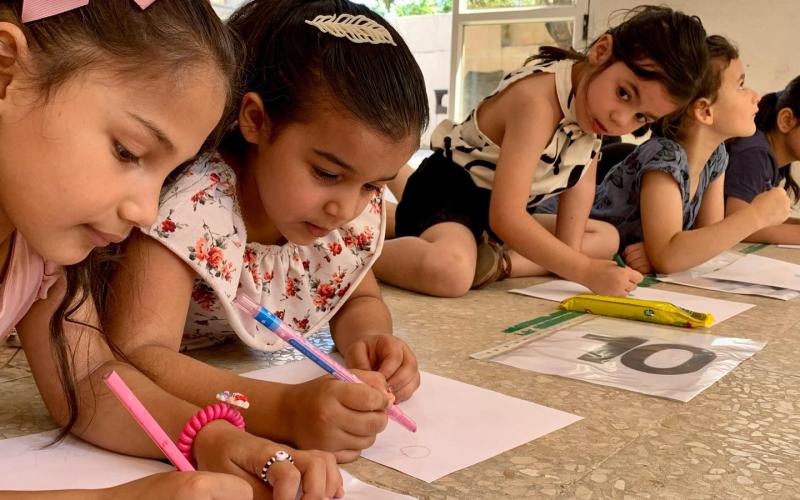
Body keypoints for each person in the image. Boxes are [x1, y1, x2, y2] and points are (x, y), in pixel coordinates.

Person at [0, 1, 341, 498]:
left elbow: (91, 378)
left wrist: (211, 437)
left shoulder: (37, 250)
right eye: (128, 152)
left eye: (169, 174)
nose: (146, 211)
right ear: (5, 71)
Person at [106, 0, 429, 463]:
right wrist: (282, 410)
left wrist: (371, 341)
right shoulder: (193, 203)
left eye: (373, 186)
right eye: (326, 173)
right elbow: (138, 352)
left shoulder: (339, 207)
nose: (346, 209)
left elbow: (358, 298)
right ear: (255, 121)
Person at [374, 5, 708, 298]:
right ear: (601, 51)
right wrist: (585, 270)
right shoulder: (538, 102)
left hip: (493, 220)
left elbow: (574, 212)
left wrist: (575, 262)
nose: (620, 120)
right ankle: (360, 252)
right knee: (451, 271)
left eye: (641, 117)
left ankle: (494, 261)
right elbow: (507, 217)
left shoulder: (592, 114)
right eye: (624, 93)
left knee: (606, 236)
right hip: (446, 198)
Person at [553, 36, 789, 275]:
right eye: (740, 85)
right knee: (601, 241)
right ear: (705, 111)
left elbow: (710, 238)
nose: (755, 96)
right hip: (567, 229)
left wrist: (662, 252)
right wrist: (756, 216)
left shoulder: (716, 157)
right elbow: (668, 257)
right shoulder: (666, 157)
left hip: (603, 249)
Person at [725, 75, 800, 243]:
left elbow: (762, 220)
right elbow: (739, 228)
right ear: (786, 120)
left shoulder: (769, 157)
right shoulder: (753, 153)